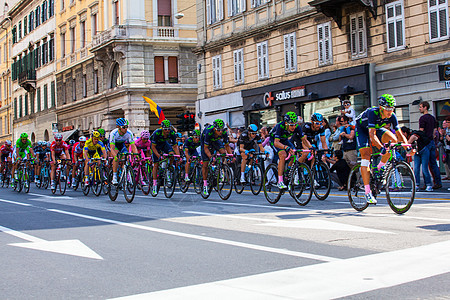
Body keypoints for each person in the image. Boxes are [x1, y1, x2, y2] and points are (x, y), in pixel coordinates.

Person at [354, 94, 408, 204]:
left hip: (376, 129)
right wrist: (381, 148)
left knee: (392, 141)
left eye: (392, 108)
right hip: (362, 130)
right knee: (365, 157)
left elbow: (399, 134)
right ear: (381, 108)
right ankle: (367, 192)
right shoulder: (373, 113)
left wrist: (407, 147)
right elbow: (372, 135)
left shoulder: (392, 116)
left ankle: (379, 168)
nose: (389, 111)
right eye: (387, 108)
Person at [269, 112, 312, 189]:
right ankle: (280, 181)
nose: (293, 127)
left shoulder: (297, 127)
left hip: (285, 140)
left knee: (294, 154)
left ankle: (288, 172)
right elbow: (276, 143)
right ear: (286, 123)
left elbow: (304, 140)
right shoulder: (280, 126)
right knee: (283, 155)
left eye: (295, 124)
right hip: (275, 140)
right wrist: (286, 148)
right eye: (291, 125)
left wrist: (311, 147)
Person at [200, 119, 233, 195]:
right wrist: (210, 156)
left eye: (221, 130)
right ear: (214, 128)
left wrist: (231, 155)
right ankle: (205, 185)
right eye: (218, 130)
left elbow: (227, 145)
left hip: (215, 141)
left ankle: (220, 167)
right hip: (206, 143)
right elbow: (205, 148)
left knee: (223, 152)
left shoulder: (224, 132)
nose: (220, 132)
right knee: (205, 164)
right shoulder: (208, 132)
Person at [150, 119, 180, 195]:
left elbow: (175, 146)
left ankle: (169, 167)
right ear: (162, 128)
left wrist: (178, 156)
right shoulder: (157, 133)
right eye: (165, 129)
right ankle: (154, 184)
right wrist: (158, 156)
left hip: (164, 144)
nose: (167, 131)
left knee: (171, 154)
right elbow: (153, 147)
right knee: (156, 164)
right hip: (156, 146)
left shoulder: (172, 133)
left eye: (168, 129)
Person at [419, 101, 442, 189]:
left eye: (421, 107)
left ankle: (427, 183)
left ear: (425, 107)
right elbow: (434, 131)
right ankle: (438, 182)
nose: (419, 108)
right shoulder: (432, 118)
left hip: (425, 143)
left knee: (425, 164)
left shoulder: (422, 118)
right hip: (432, 142)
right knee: (433, 164)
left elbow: (421, 131)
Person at [110, 118, 138, 185]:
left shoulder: (129, 133)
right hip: (114, 145)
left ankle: (125, 173)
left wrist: (137, 155)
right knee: (116, 158)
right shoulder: (113, 133)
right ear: (118, 127)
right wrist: (115, 157)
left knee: (127, 157)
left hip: (122, 145)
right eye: (123, 127)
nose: (125, 129)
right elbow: (112, 148)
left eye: (126, 127)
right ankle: (114, 177)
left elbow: (133, 146)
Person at [406, 127, 433, 191]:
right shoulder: (410, 135)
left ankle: (429, 184)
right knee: (416, 169)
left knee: (424, 169)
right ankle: (416, 185)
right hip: (416, 152)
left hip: (423, 151)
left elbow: (408, 143)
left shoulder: (413, 135)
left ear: (405, 133)